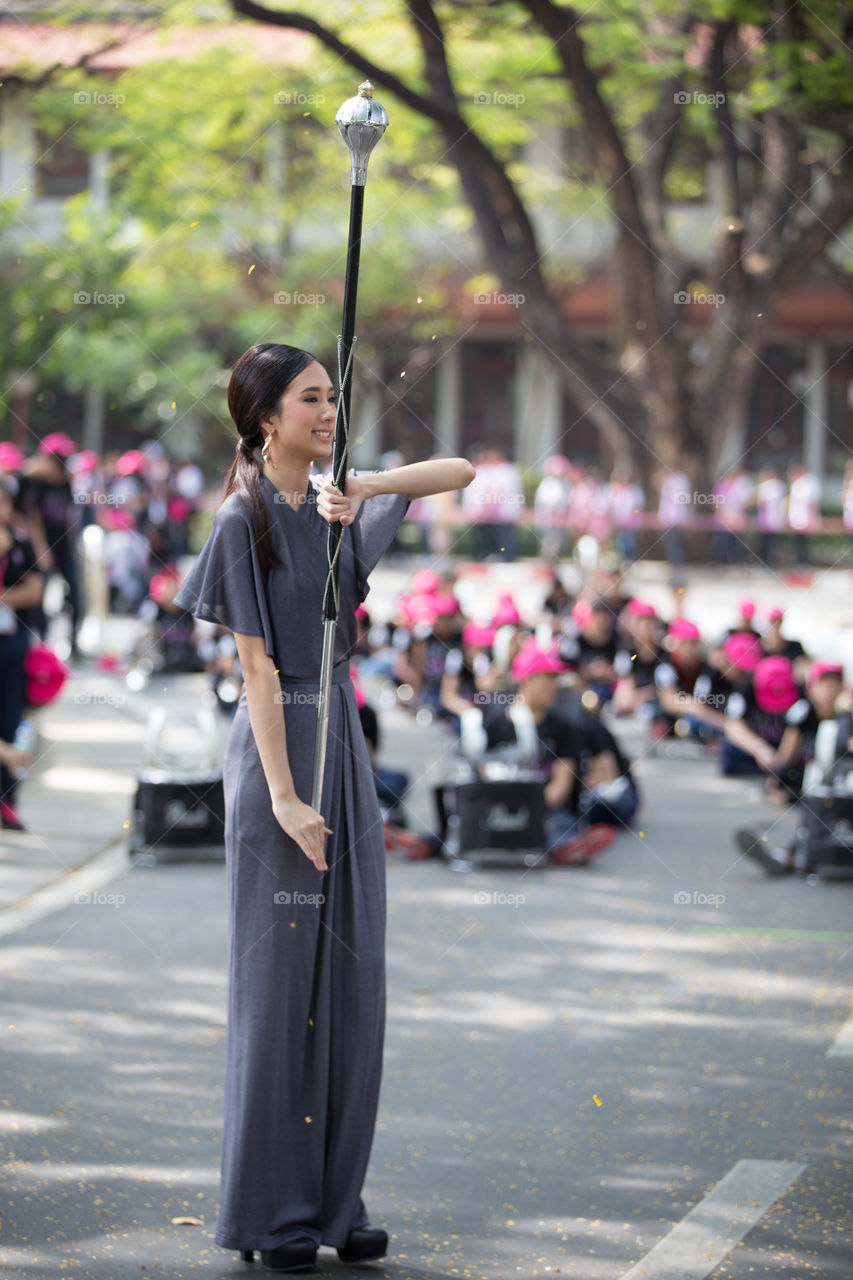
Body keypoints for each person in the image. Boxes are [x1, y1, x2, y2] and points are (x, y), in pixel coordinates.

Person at [174, 342, 474, 1272]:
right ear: (267, 417)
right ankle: (272, 1212)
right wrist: (284, 797)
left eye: (333, 397)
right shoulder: (241, 520)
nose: (328, 412)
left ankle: (337, 1205)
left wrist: (364, 482)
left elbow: (457, 470)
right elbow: (257, 671)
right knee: (277, 995)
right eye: (310, 399)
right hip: (279, 759)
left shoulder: (340, 506)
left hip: (340, 739)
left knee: (351, 985)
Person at [0, 482, 44, 830]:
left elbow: (35, 589)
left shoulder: (20, 545)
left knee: (10, 719)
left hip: (12, 644)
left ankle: (7, 800)